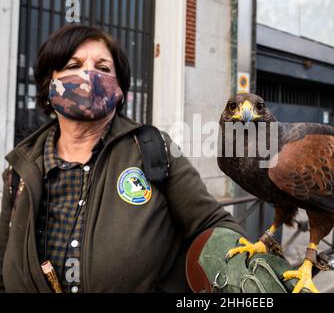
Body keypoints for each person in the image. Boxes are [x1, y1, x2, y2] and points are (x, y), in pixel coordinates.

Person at [0, 25, 294, 293]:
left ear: (119, 87)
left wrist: (233, 267)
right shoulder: (22, 169)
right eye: (73, 66)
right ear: (49, 82)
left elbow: (210, 222)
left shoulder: (153, 148)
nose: (89, 75)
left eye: (103, 68)